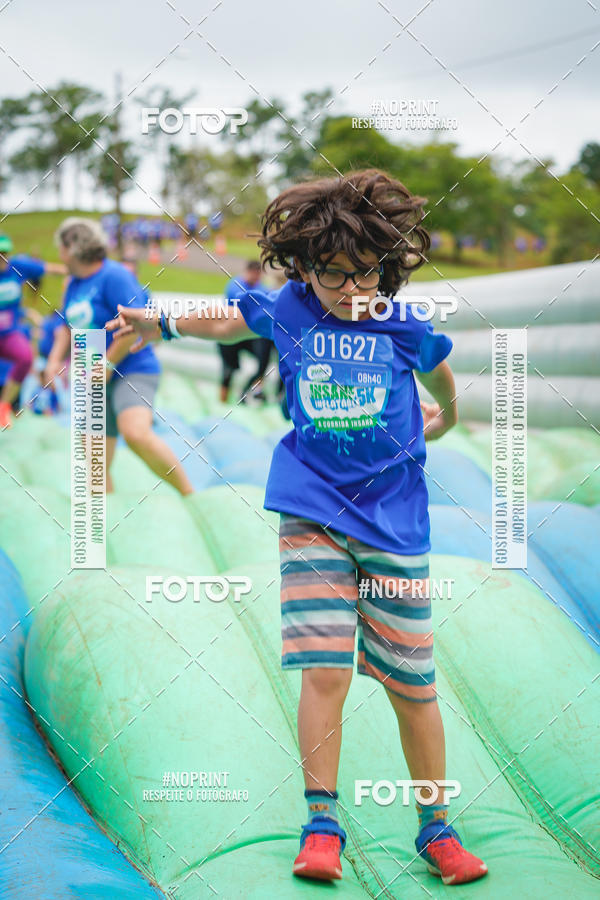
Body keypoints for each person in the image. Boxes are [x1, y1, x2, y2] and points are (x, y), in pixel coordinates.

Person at [106, 170, 488, 887]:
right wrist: (155, 320)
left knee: (413, 685)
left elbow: (440, 371)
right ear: (305, 268)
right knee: (324, 668)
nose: (351, 290)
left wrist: (454, 414)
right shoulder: (291, 310)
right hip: (311, 510)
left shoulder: (400, 327)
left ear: (389, 266)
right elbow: (224, 319)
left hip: (394, 523)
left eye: (366, 273)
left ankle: (435, 827)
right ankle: (322, 822)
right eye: (333, 275)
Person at [44, 217, 193, 496]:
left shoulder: (115, 276)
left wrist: (109, 362)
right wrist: (54, 360)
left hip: (133, 367)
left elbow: (137, 324)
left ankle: (190, 495)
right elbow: (67, 326)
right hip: (97, 376)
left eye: (61, 248)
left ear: (71, 248)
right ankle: (109, 521)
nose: (59, 254)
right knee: (94, 464)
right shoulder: (73, 283)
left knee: (135, 433)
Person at [0, 233, 66, 428]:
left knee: (26, 357)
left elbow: (49, 268)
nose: (2, 258)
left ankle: (4, 406)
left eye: (4, 253)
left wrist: (77, 270)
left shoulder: (17, 266)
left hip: (9, 333)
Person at [218, 260, 275, 403]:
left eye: (258, 275)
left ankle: (249, 393)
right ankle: (223, 400)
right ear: (248, 272)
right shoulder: (235, 286)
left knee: (263, 362)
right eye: (254, 274)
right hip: (231, 331)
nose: (256, 278)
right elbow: (245, 302)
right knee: (229, 370)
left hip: (250, 334)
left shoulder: (261, 288)